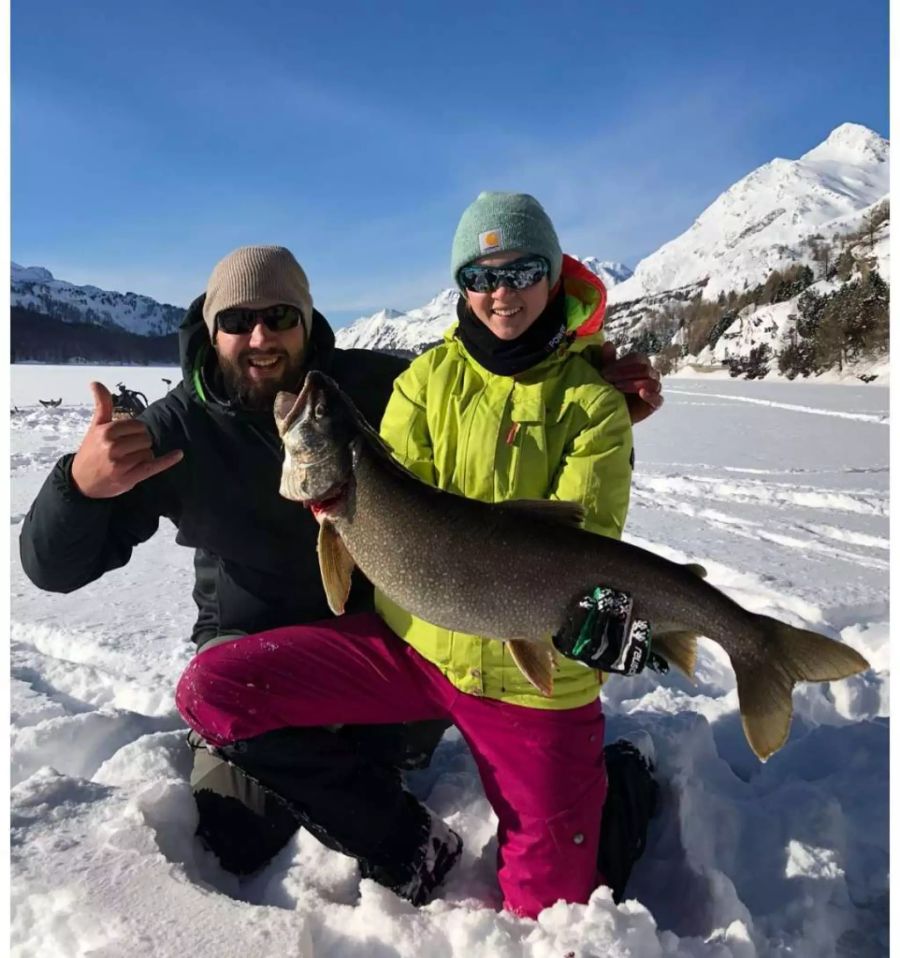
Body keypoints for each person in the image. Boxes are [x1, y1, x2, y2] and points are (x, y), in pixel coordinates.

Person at [174, 194, 661, 917]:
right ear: (461, 285)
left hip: (533, 679)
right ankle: (399, 836)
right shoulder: (425, 381)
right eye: (480, 274)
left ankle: (616, 787)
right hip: (418, 647)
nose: (502, 292)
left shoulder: (591, 404)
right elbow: (396, 483)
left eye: (524, 270)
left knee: (549, 905)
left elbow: (586, 538)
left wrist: (607, 613)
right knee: (212, 688)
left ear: (554, 277)